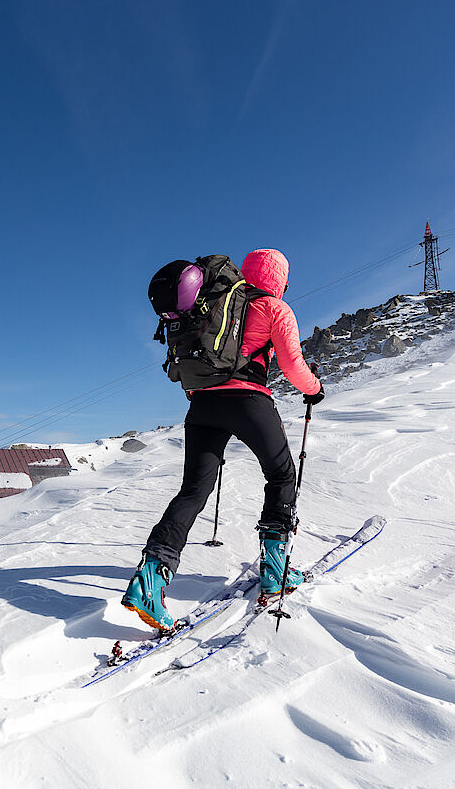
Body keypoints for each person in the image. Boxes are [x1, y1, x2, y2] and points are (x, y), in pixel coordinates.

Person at [122, 248, 324, 632]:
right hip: (248, 400)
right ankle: (275, 571)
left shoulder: (214, 300)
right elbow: (292, 364)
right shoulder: (273, 308)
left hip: (202, 404)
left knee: (193, 492)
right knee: (281, 476)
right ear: (280, 278)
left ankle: (150, 579)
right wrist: (313, 390)